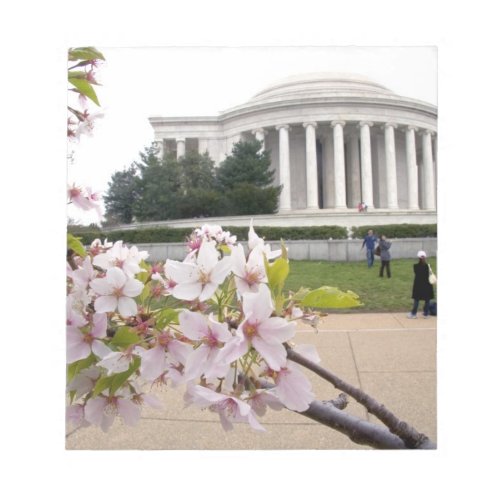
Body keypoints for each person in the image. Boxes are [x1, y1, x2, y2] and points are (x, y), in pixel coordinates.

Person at [407, 250, 435, 319]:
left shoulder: (415, 266)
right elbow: (430, 274)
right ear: (425, 257)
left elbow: (417, 273)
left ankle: (414, 314)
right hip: (427, 285)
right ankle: (426, 314)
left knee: (416, 299)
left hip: (418, 285)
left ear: (418, 257)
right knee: (427, 300)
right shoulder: (428, 266)